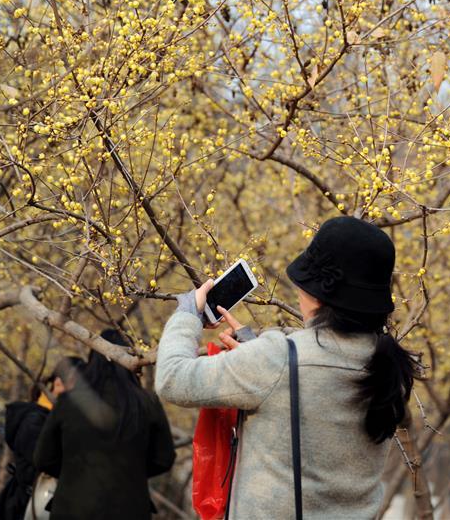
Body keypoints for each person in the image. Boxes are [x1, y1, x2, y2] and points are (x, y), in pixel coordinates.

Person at [156, 216, 419, 519]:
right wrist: (255, 349)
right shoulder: (388, 364)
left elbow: (172, 378)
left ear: (318, 294)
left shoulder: (278, 358)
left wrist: (187, 314)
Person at [34, 330, 176, 519]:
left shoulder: (69, 401)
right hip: (130, 509)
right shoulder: (146, 402)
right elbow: (164, 458)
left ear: (92, 361)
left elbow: (43, 458)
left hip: (73, 507)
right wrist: (131, 471)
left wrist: (73, 473)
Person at [0, 357, 83, 520]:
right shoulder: (34, 420)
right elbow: (48, 461)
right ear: (58, 383)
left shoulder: (62, 418)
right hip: (30, 504)